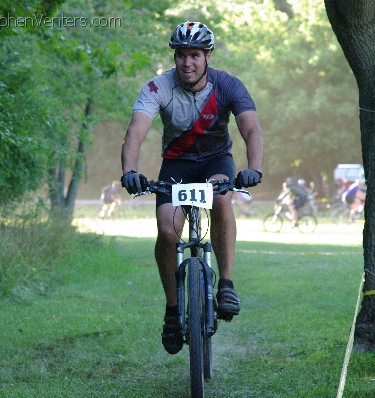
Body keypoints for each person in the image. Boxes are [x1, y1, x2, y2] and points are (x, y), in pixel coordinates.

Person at [120, 21, 264, 355]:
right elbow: (135, 132)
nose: (188, 62)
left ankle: (225, 283)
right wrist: (129, 171)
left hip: (216, 163)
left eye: (195, 55)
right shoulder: (158, 87)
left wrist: (253, 168)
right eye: (182, 55)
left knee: (221, 199)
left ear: (207, 56)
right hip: (176, 166)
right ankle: (173, 310)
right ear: (175, 56)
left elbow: (252, 129)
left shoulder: (228, 85)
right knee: (168, 232)